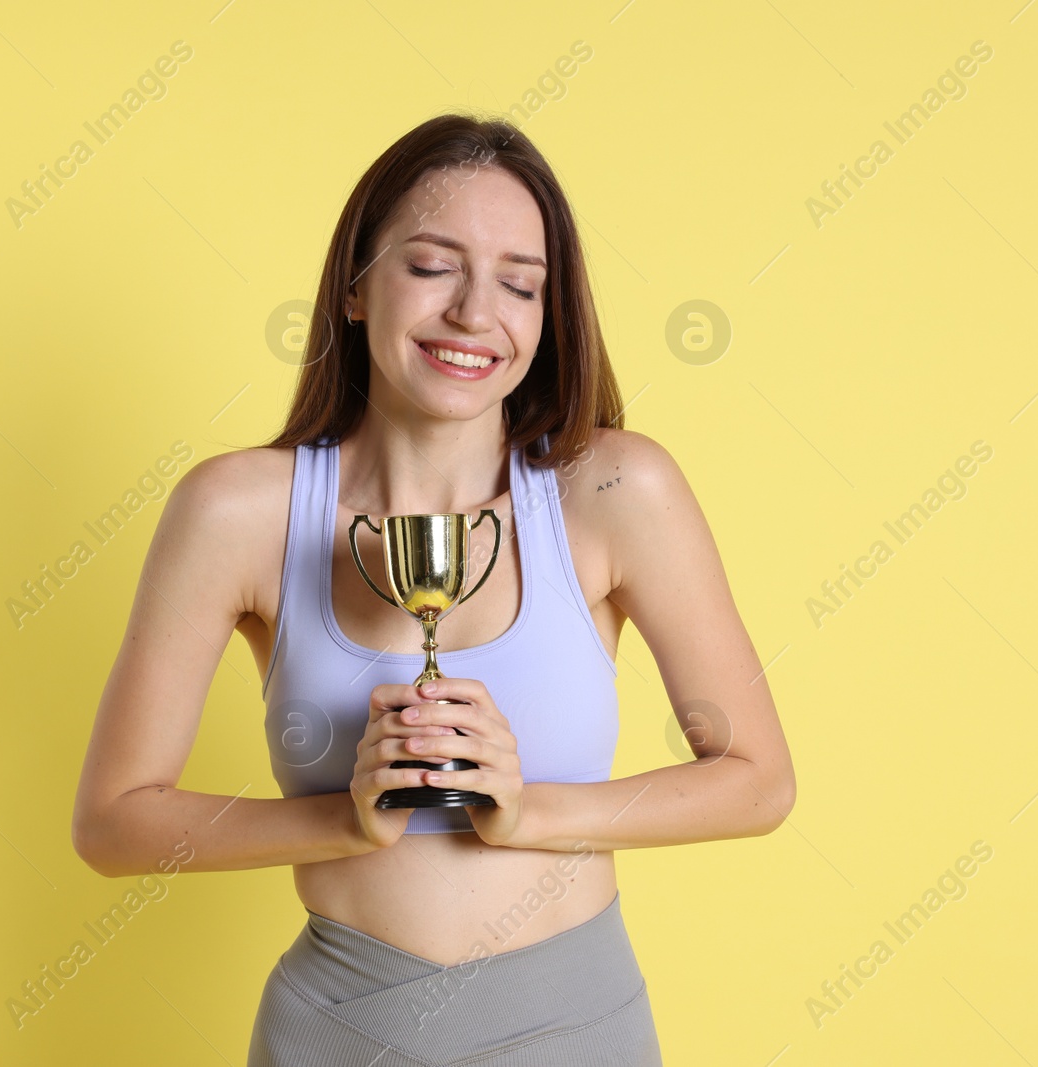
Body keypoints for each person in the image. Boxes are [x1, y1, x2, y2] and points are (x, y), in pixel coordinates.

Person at [71, 112, 796, 1065]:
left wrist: (530, 808)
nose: (473, 313)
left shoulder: (619, 492)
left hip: (575, 1027)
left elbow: (758, 783)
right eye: (430, 266)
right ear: (357, 288)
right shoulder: (239, 511)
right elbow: (115, 820)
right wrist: (344, 818)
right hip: (338, 1028)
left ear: (549, 314)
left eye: (520, 284)